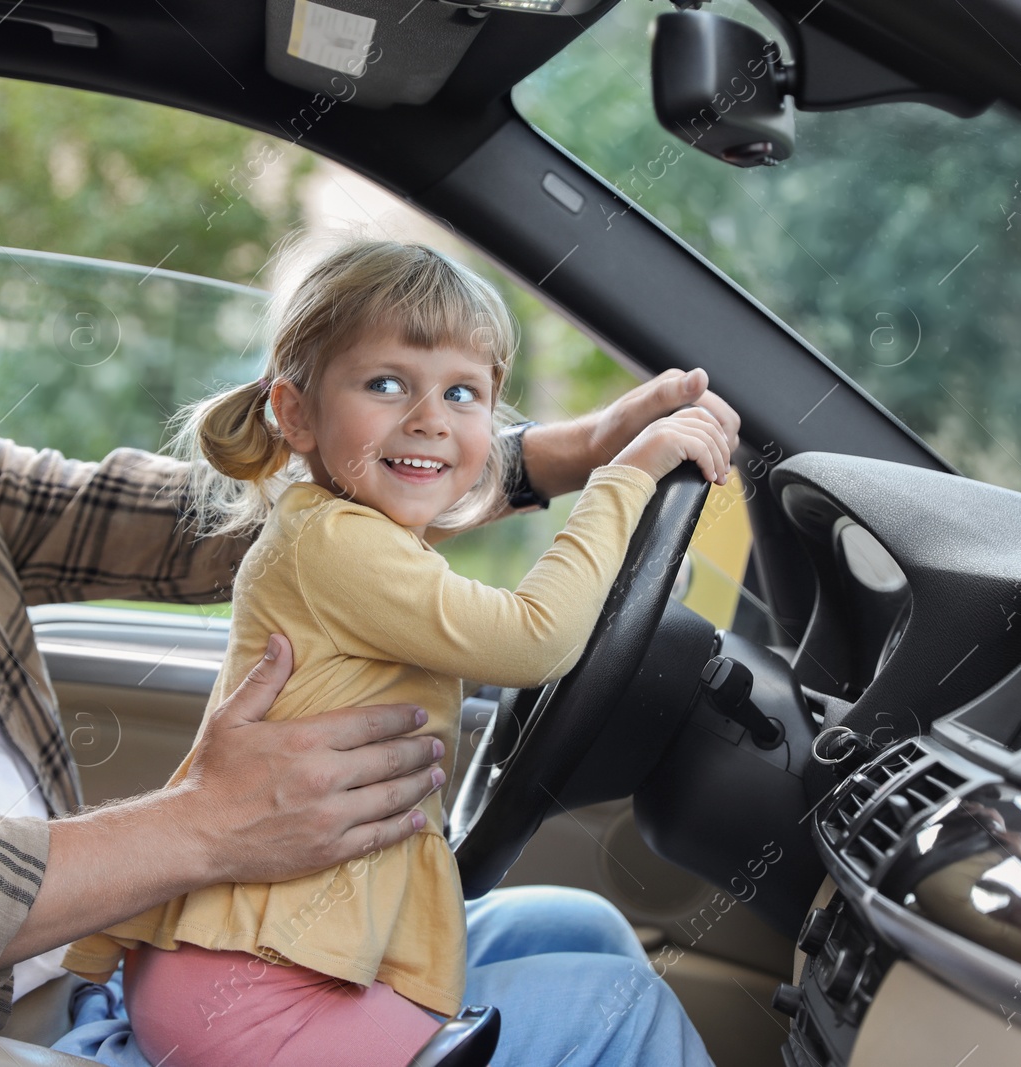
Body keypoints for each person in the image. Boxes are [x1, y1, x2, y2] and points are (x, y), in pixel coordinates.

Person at [0, 38, 739, 1067]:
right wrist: (204, 824)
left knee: (572, 928)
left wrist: (544, 457)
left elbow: (214, 520)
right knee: (610, 1009)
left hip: (94, 973)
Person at [61, 241, 724, 1066]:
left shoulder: (355, 528)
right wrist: (624, 478)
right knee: (627, 1010)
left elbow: (479, 543)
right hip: (253, 993)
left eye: (463, 392)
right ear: (295, 413)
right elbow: (532, 637)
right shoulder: (337, 542)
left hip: (275, 952)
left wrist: (597, 454)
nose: (430, 418)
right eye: (386, 384)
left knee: (584, 925)